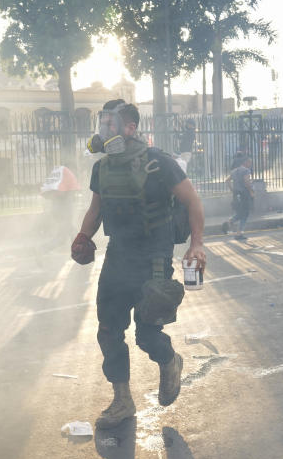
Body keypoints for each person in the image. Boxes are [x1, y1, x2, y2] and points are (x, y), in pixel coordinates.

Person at [71, 99, 206, 429]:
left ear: (130, 128)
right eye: (102, 122)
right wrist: (83, 236)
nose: (104, 129)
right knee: (109, 330)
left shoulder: (158, 162)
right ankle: (122, 399)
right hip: (118, 256)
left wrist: (197, 245)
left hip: (153, 258)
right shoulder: (102, 167)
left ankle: (170, 360)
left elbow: (191, 200)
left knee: (147, 333)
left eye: (111, 123)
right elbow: (96, 208)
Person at [222, 154, 253, 240]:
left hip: (236, 195)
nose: (250, 164)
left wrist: (233, 190)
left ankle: (230, 223)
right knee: (245, 213)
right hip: (244, 194)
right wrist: (251, 191)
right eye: (249, 162)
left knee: (240, 213)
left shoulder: (234, 171)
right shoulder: (246, 171)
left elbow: (227, 180)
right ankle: (239, 232)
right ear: (245, 162)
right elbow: (247, 181)